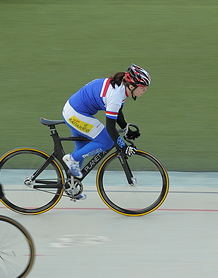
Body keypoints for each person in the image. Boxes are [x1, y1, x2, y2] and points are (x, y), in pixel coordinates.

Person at [60, 64, 150, 197]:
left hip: (75, 110)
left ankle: (71, 186)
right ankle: (72, 159)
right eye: (143, 87)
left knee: (82, 149)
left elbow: (118, 113)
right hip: (76, 113)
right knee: (107, 142)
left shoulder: (121, 89)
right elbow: (110, 128)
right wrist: (123, 146)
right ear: (132, 86)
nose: (145, 90)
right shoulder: (116, 96)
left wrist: (126, 129)